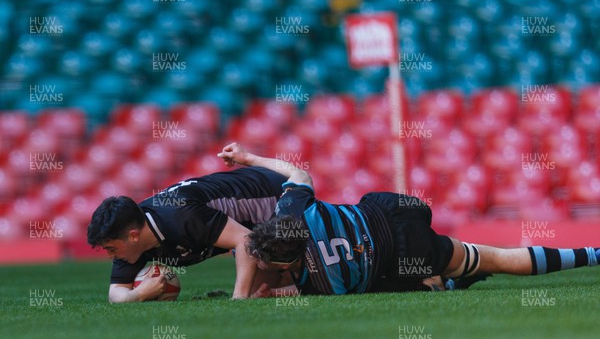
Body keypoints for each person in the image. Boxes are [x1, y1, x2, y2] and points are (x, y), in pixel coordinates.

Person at [217, 143, 600, 297]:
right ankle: (593, 254)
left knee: (491, 260)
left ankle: (442, 282)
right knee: (368, 205)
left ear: (287, 264)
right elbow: (296, 172)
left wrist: (259, 295)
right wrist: (250, 158)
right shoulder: (292, 210)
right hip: (394, 211)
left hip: (401, 257)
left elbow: (291, 290)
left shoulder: (317, 284)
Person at [87, 166, 288, 302]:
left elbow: (244, 240)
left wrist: (238, 300)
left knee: (285, 273)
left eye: (111, 249)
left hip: (274, 195)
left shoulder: (180, 217)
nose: (111, 256)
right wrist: (138, 294)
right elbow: (115, 292)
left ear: (133, 236)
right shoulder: (131, 240)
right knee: (262, 288)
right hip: (249, 223)